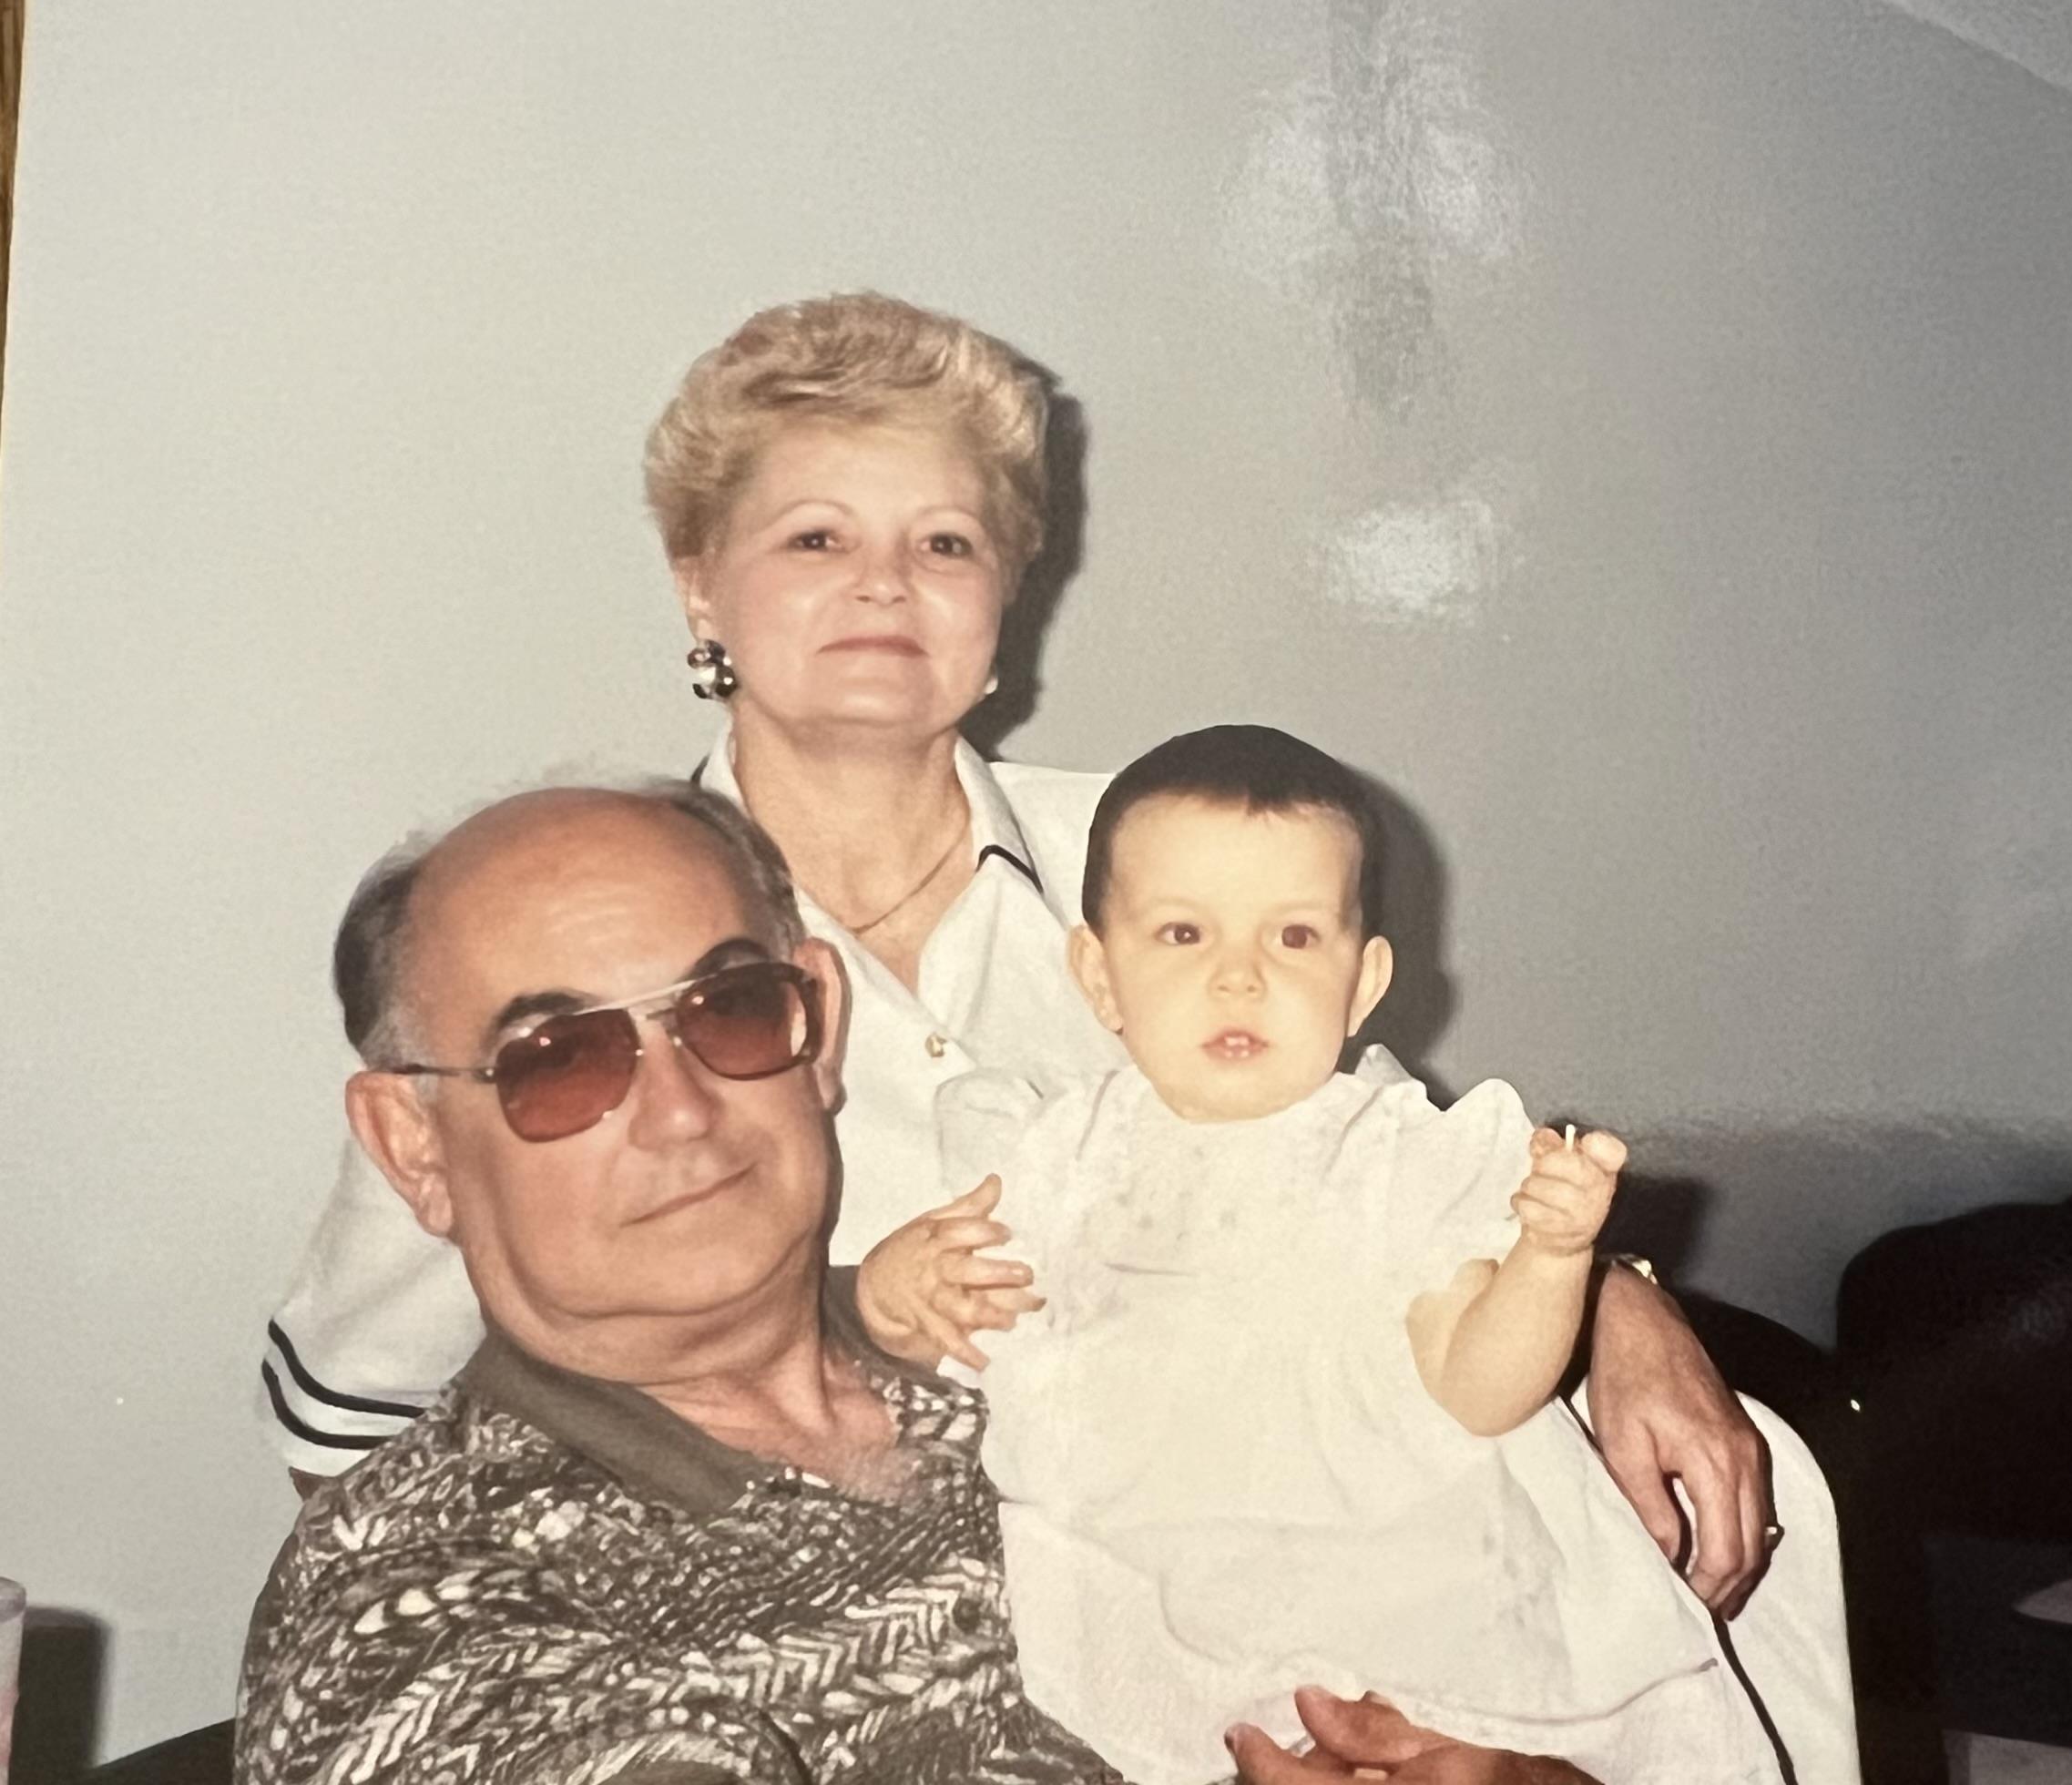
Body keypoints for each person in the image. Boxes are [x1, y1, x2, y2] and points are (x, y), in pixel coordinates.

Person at [254, 293, 1797, 1638]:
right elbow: (354, 1416)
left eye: (945, 541)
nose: (884, 584)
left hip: (1247, 1550)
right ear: (698, 586)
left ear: (1004, 603)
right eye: (814, 538)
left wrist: (1621, 1308)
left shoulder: (1159, 851)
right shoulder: (585, 945)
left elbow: (1398, 1170)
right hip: (831, 1609)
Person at [240, 781, 1605, 1785]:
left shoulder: (1045, 1312)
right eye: (560, 1058)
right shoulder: (409, 1598)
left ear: (817, 1030)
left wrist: (1607, 1293)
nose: (680, 1112)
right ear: (417, 1145)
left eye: (727, 1009)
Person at [857, 728, 1785, 1785]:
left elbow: (1483, 1389)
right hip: (1143, 1585)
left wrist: (1551, 1258)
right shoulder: (1052, 1150)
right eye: (1181, 935)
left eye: (1293, 938)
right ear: (1099, 979)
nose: (1239, 977)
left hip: (1397, 1597)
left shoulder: (1398, 1159)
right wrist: (900, 1292)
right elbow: (960, 1333)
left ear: (1361, 983)